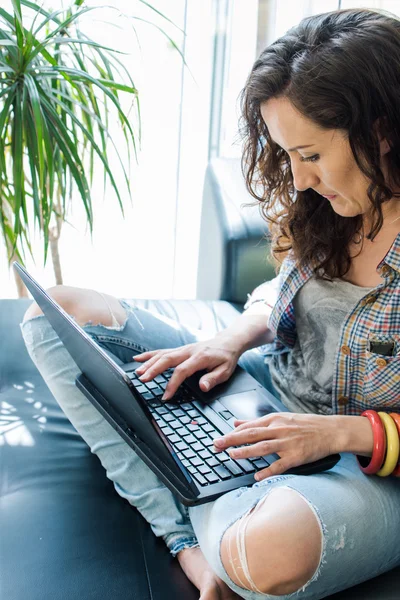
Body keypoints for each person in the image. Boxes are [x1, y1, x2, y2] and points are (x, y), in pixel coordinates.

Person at [20, 7, 400, 600]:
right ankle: (189, 539)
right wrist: (233, 339)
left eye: (312, 154)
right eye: (288, 155)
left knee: (264, 554)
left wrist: (337, 435)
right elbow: (284, 292)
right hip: (267, 392)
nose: (298, 180)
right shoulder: (328, 202)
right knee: (55, 312)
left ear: (383, 130)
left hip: (363, 467)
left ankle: (186, 499)